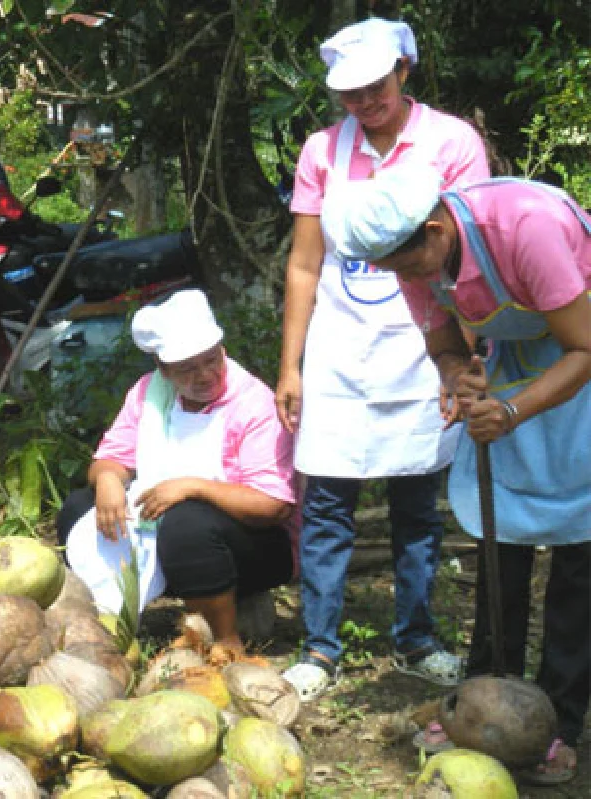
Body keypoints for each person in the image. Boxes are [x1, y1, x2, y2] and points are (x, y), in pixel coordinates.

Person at [321, 163, 591, 786]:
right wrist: (456, 376)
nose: (401, 278)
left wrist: (515, 410)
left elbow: (582, 346)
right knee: (502, 552)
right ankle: (482, 706)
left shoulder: (529, 227)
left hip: (578, 363)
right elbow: (443, 343)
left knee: (578, 557)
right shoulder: (413, 255)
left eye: (405, 265)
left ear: (437, 229)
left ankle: (560, 720)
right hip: (513, 373)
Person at [274, 17, 491, 701]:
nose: (364, 102)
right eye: (349, 93)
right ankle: (319, 645)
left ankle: (418, 638)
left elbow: (473, 255)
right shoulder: (321, 152)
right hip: (340, 345)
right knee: (328, 500)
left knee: (417, 502)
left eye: (374, 87)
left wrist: (466, 360)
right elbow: (306, 264)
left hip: (424, 345)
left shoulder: (451, 142)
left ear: (403, 69)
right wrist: (291, 363)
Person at [57, 290, 297, 654]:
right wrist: (107, 480)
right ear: (164, 370)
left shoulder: (253, 405)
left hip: (258, 548)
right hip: (166, 533)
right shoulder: (147, 394)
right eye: (188, 368)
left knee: (186, 524)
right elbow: (111, 456)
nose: (205, 375)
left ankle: (224, 642)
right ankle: (103, 619)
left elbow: (273, 506)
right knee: (79, 508)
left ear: (223, 350)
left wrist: (194, 487)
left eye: (211, 361)